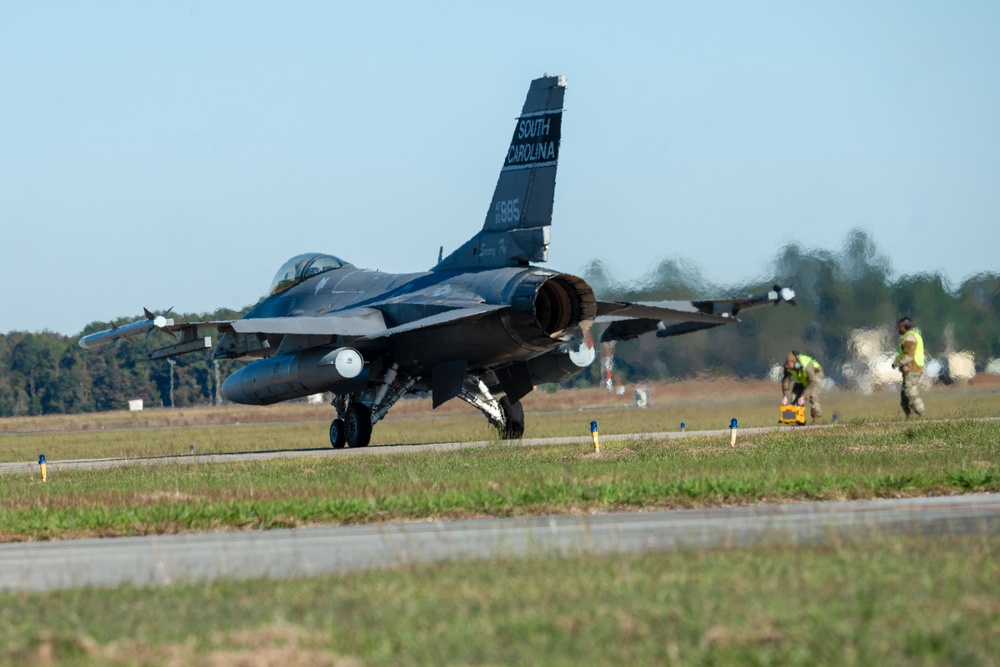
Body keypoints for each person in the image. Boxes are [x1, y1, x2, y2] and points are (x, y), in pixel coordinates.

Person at [892, 317, 925, 418]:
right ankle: (908, 416)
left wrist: (896, 363)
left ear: (906, 326)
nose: (899, 329)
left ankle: (922, 414)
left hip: (912, 369)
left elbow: (909, 356)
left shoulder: (909, 337)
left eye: (900, 327)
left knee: (910, 393)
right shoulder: (914, 335)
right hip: (914, 368)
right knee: (905, 396)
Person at [781, 351, 824, 424]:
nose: (787, 367)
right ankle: (800, 421)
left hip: (814, 376)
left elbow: (812, 381)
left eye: (789, 364)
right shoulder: (788, 367)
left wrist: (804, 396)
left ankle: (816, 419)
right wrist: (785, 396)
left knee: (812, 396)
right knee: (794, 398)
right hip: (802, 379)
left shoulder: (806, 365)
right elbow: (786, 381)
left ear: (795, 363)